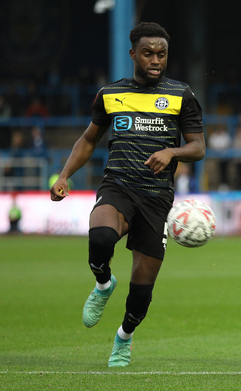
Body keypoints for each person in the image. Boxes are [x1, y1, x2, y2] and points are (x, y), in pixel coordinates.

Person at [50, 22, 205, 367]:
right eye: (148, 54)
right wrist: (64, 175)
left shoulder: (181, 95)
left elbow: (198, 147)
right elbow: (89, 139)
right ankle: (103, 283)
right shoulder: (110, 94)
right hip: (117, 186)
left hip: (156, 198)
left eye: (161, 54)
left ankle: (124, 337)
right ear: (133, 54)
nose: (155, 60)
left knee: (141, 292)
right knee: (101, 238)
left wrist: (172, 153)